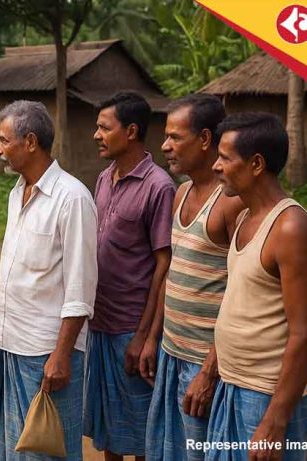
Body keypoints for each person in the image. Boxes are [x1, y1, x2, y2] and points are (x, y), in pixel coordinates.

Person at [0, 100, 97, 461]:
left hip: (45, 354)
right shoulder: (18, 192)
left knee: (47, 451)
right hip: (11, 345)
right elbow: (19, 268)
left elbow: (80, 288)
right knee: (9, 448)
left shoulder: (72, 198)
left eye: (4, 140)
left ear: (30, 141)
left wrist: (61, 355)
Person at [142, 94, 245, 461]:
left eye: (175, 137)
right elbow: (170, 272)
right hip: (172, 355)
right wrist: (154, 337)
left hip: (205, 364)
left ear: (205, 140)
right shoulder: (180, 193)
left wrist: (209, 370)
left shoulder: (231, 203)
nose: (165, 146)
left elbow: (240, 295)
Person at [205, 113, 306, 461]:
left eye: (225, 158)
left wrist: (275, 422)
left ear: (257, 164)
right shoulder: (246, 216)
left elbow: (302, 333)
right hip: (233, 387)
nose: (215, 166)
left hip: (265, 395)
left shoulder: (290, 228)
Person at [83, 91, 175, 461]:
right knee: (108, 429)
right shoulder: (104, 178)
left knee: (139, 431)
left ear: (131, 131)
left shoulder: (159, 186)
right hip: (99, 323)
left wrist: (144, 336)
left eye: (105, 127)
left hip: (130, 328)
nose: (96, 135)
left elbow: (163, 265)